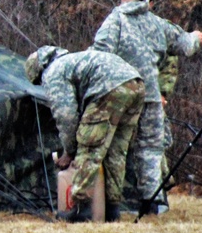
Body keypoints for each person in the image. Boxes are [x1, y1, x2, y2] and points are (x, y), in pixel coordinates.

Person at [91, 0, 202, 215]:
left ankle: (112, 207)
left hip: (120, 96)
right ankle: (152, 203)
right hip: (151, 97)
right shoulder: (157, 23)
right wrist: (196, 37)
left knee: (115, 149)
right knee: (151, 151)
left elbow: (99, 55)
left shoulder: (115, 21)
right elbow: (185, 45)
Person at [25, 46, 146, 223]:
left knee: (89, 145)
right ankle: (112, 210)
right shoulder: (73, 60)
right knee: (115, 152)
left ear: (38, 72)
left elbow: (66, 116)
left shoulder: (53, 72)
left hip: (109, 87)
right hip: (136, 84)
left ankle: (82, 208)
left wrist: (70, 151)